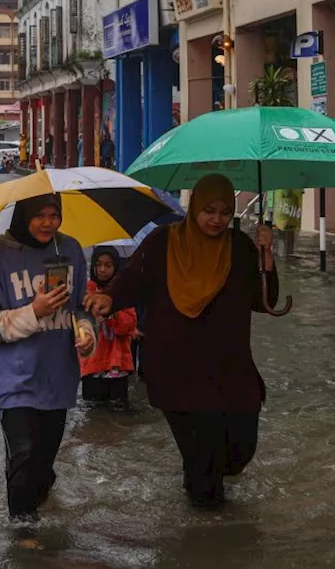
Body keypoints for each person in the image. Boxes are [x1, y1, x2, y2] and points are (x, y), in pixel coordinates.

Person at [84, 174, 277, 510]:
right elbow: (131, 281)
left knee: (240, 450)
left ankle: (209, 512)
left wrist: (267, 258)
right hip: (177, 369)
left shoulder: (241, 247)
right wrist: (108, 300)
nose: (216, 219)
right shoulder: (163, 242)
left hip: (231, 370)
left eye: (223, 211)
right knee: (203, 468)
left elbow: (263, 302)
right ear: (194, 209)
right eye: (208, 211)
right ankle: (204, 541)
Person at [0, 194, 97, 522]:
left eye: (54, 215)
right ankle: (23, 533)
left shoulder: (70, 250)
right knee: (24, 454)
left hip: (57, 377)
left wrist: (86, 332)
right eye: (39, 215)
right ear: (23, 215)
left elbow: (81, 306)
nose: (48, 223)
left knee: (42, 462)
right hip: (12, 378)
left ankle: (39, 499)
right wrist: (34, 312)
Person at [79, 247, 137, 410]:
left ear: (116, 267)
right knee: (94, 417)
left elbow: (129, 325)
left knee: (119, 417)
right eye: (98, 265)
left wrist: (112, 310)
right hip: (92, 366)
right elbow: (78, 326)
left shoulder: (123, 292)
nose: (102, 269)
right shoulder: (85, 292)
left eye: (108, 265)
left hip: (117, 367)